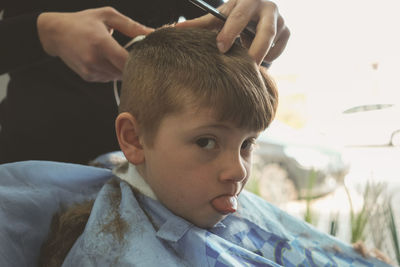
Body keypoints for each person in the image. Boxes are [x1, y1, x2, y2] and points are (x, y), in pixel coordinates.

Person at [33, 27, 390, 266]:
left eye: (247, 144)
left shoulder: (191, 193)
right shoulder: (116, 249)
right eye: (207, 141)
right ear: (133, 139)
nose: (238, 170)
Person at [0, 0, 290, 164]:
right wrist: (42, 33)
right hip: (27, 160)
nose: (237, 172)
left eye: (247, 146)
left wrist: (252, 34)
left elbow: (221, 38)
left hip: (143, 171)